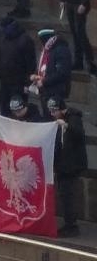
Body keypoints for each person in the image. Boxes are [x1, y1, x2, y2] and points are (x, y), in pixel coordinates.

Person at [48, 98, 88, 237]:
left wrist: (66, 125)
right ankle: (69, 223)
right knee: (65, 196)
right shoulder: (59, 120)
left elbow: (79, 134)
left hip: (71, 166)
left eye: (54, 111)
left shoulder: (74, 118)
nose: (52, 114)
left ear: (61, 109)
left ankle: (71, 225)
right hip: (63, 165)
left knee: (68, 196)